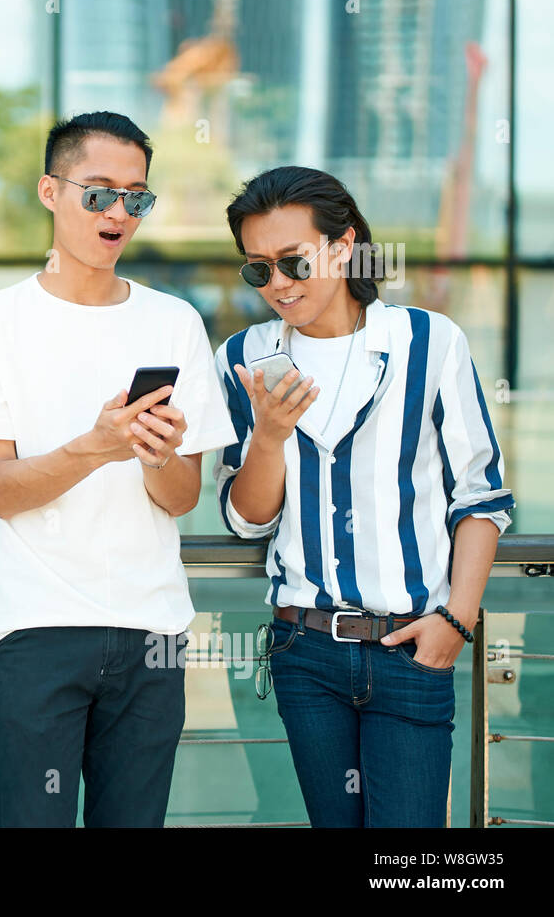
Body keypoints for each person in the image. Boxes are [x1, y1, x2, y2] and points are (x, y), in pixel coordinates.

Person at [0, 111, 237, 827]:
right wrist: (95, 446)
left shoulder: (176, 323)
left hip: (153, 628)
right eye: (97, 193)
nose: (118, 213)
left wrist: (155, 454)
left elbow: (182, 497)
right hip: (39, 626)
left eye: (137, 197)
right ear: (49, 191)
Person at [213, 165, 514, 827]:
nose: (279, 286)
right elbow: (246, 520)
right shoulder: (243, 358)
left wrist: (456, 623)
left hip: (412, 645)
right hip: (304, 651)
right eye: (258, 271)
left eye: (294, 262)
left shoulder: (429, 342)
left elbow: (480, 497)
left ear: (344, 246)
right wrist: (267, 437)